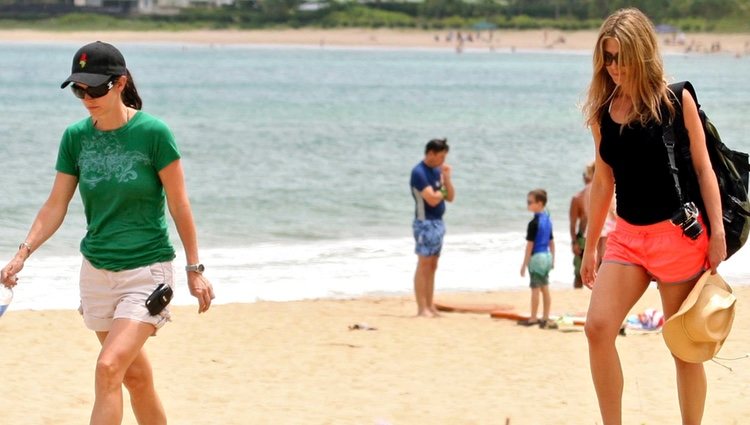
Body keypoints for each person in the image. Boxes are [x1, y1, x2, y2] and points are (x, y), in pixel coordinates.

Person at [0, 41, 215, 425]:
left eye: (95, 88)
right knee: (133, 376)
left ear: (120, 83)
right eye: (79, 90)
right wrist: (22, 253)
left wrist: (194, 268)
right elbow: (55, 205)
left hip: (146, 273)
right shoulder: (75, 138)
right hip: (96, 272)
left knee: (108, 367)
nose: (87, 98)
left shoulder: (153, 133)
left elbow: (180, 204)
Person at [580, 8, 725, 425]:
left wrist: (716, 234)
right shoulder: (602, 111)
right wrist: (591, 247)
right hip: (627, 238)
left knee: (683, 347)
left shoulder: (675, 100)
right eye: (607, 57)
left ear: (641, 53)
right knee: (597, 328)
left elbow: (703, 168)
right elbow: (604, 182)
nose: (614, 67)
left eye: (621, 56)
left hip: (677, 237)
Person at [410, 138, 455, 317]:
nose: (443, 161)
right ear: (430, 154)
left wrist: (447, 179)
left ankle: (430, 305)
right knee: (423, 264)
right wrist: (441, 191)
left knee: (433, 265)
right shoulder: (418, 172)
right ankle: (422, 308)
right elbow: (432, 198)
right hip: (424, 223)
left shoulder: (438, 171)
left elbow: (449, 197)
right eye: (441, 157)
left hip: (438, 222)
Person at [518, 189, 556, 329]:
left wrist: (524, 264)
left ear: (539, 203)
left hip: (537, 258)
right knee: (545, 288)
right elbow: (552, 242)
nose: (527, 204)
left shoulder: (533, 223)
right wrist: (553, 259)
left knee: (535, 288)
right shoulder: (548, 220)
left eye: (530, 202)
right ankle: (545, 317)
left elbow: (529, 246)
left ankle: (533, 317)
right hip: (547, 256)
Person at [569, 162, 594, 288]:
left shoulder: (606, 195)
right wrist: (574, 242)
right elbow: (573, 223)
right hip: (582, 239)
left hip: (599, 237)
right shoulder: (577, 198)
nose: (585, 177)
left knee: (599, 272)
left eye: (586, 174)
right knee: (579, 273)